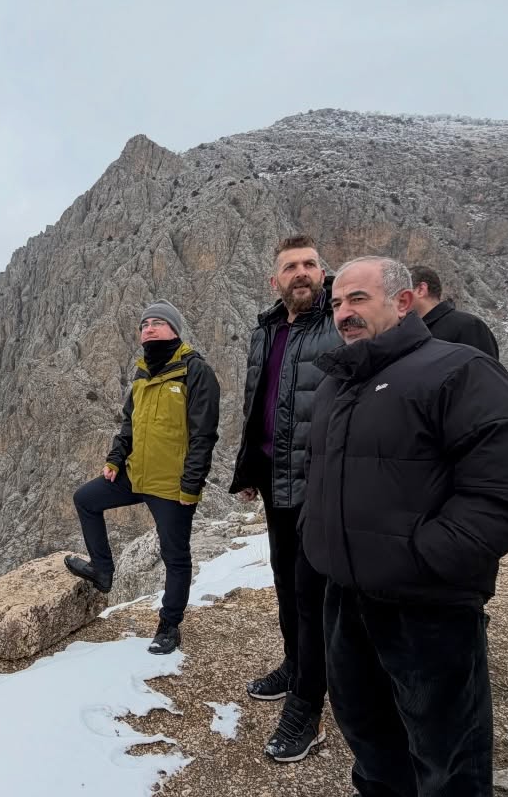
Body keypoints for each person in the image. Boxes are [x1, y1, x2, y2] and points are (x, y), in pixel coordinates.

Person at [299, 257, 508, 797]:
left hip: (429, 607)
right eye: (337, 301)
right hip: (348, 594)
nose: (344, 310)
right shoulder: (345, 380)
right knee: (364, 718)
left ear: (404, 301)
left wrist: (427, 557)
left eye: (359, 297)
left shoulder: (455, 370)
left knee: (450, 762)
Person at [228, 235, 341, 763]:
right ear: (275, 280)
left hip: (321, 485)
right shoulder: (267, 329)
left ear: (323, 272)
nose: (301, 273)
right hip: (277, 480)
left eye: (310, 264)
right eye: (291, 267)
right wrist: (250, 468)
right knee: (284, 584)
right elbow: (260, 402)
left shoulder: (338, 325)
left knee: (311, 596)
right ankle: (296, 668)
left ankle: (307, 708)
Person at [65, 300, 220, 654]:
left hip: (171, 486)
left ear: (175, 330)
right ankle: (103, 571)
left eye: (158, 322)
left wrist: (191, 485)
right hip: (134, 475)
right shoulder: (142, 374)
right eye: (144, 324)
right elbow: (129, 424)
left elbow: (203, 436)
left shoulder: (196, 372)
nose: (149, 328)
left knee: (175, 556)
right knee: (86, 500)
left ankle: (169, 625)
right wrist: (115, 459)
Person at [408, 264, 500, 359]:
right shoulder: (409, 333)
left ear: (421, 290)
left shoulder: (468, 326)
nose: (396, 299)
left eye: (402, 292)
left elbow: (484, 371)